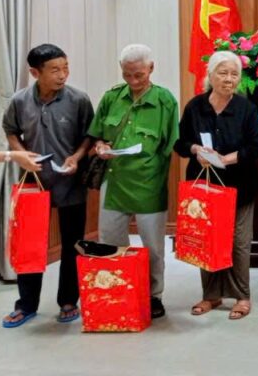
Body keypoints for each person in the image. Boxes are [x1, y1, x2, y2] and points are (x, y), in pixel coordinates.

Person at [0, 44, 94, 328]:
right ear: (35, 72)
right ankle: (26, 305)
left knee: (72, 244)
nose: (62, 74)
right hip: (33, 183)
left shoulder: (79, 100)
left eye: (65, 68)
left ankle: (68, 301)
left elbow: (89, 136)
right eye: (55, 70)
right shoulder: (19, 100)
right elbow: (11, 131)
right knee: (30, 245)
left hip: (71, 182)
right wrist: (22, 155)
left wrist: (76, 157)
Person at [88, 44, 178, 319]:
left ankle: (153, 295)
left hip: (149, 183)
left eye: (139, 75)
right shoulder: (112, 97)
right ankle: (117, 290)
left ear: (151, 68)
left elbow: (169, 146)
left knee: (153, 247)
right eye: (127, 75)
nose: (133, 81)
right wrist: (101, 146)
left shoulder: (165, 101)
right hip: (114, 181)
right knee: (110, 241)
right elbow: (97, 135)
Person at [175, 51, 258, 320]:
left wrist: (227, 159)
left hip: (240, 186)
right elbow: (180, 143)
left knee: (239, 243)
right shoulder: (195, 107)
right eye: (223, 73)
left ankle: (242, 296)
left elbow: (256, 146)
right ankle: (211, 295)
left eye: (234, 74)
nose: (229, 79)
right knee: (207, 239)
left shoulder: (246, 108)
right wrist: (195, 150)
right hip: (206, 186)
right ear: (210, 75)